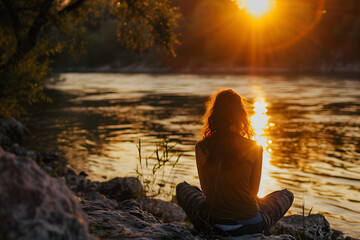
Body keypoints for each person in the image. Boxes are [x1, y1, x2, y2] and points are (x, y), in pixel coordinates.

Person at [176, 89, 294, 236]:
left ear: (214, 114)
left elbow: (206, 192)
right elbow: (253, 192)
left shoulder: (201, 147)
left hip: (212, 224)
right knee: (286, 195)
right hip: (252, 226)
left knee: (182, 188)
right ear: (241, 115)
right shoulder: (255, 147)